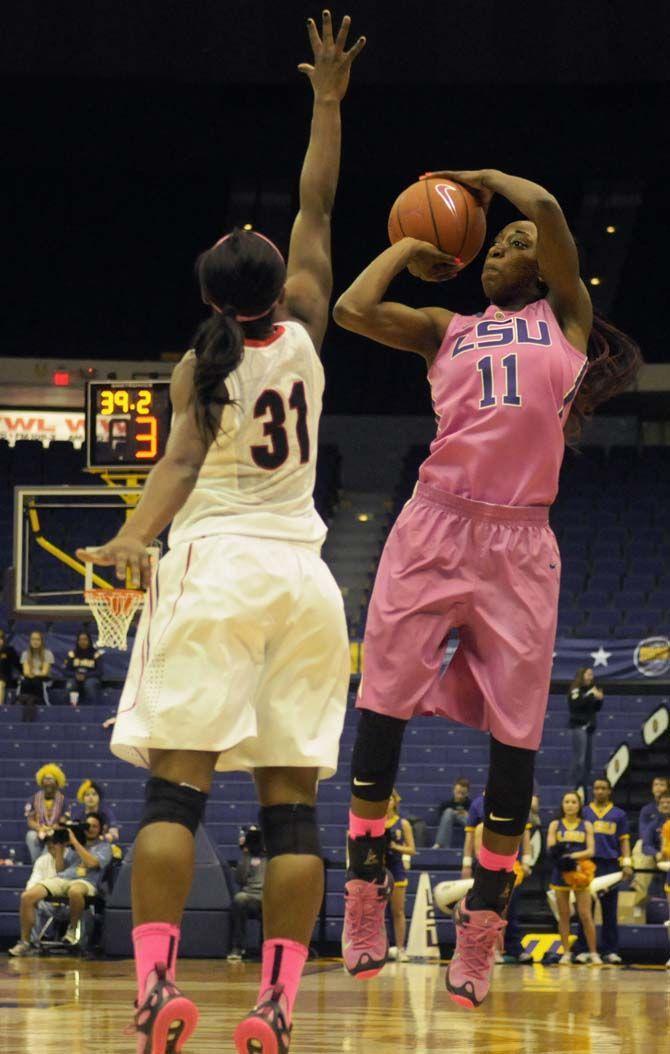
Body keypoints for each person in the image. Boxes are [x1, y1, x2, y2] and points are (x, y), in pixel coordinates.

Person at [76, 13, 365, 1054]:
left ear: (206, 295)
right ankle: (278, 1009)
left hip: (217, 569)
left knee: (174, 788)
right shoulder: (310, 323)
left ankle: (156, 998)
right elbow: (318, 200)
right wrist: (327, 101)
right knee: (291, 809)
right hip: (306, 577)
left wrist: (126, 540)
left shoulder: (199, 366)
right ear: (276, 287)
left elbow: (180, 467)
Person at [333, 164, 640, 1008]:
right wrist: (404, 244)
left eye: (515, 245)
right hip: (433, 523)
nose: (502, 246)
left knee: (515, 748)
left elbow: (544, 204)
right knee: (382, 710)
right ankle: (364, 896)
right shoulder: (446, 327)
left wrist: (483, 181)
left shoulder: (566, 321)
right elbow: (350, 310)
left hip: (520, 542)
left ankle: (483, 929)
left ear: (544, 270)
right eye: (494, 241)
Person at [10, 813, 112, 956]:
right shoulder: (73, 847)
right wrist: (59, 848)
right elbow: (60, 869)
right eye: (88, 826)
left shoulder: (104, 847)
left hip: (86, 882)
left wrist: (74, 842)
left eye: (95, 826)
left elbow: (92, 863)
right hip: (64, 879)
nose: (91, 829)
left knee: (74, 892)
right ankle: (25, 942)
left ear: (101, 829)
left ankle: (72, 930)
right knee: (28, 896)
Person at [571, 776, 632, 964]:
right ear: (593, 790)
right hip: (588, 864)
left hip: (610, 865)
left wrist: (627, 863)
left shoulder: (619, 814)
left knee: (609, 910)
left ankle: (610, 950)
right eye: (596, 788)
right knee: (585, 909)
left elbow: (624, 840)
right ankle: (583, 949)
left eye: (603, 788)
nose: (599, 791)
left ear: (609, 791)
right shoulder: (585, 812)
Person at [547, 791, 600, 965]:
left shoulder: (586, 825)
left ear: (579, 805)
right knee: (563, 915)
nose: (570, 805)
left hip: (580, 872)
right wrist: (563, 858)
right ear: (562, 805)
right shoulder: (555, 824)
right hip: (560, 873)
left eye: (573, 802)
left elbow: (591, 850)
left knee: (585, 915)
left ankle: (593, 953)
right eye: (567, 801)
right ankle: (566, 953)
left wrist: (571, 856)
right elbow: (551, 847)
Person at [385, 789, 416, 961]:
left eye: (390, 799)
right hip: (379, 870)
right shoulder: (375, 822)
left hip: (396, 869)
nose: (387, 802)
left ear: (395, 801)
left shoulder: (402, 823)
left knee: (397, 911)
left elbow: (412, 849)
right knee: (376, 913)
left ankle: (400, 948)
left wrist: (395, 847)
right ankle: (380, 949)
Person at [227, 824, 267, 962]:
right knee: (239, 899)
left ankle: (267, 949)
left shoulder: (272, 857)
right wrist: (245, 853)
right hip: (251, 897)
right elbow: (240, 879)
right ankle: (238, 947)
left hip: (269, 898)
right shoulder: (247, 857)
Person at [633, 776, 669, 905]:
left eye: (662, 784)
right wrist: (657, 853)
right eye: (656, 784)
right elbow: (645, 839)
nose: (658, 787)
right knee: (640, 846)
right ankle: (639, 896)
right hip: (655, 851)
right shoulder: (648, 812)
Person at [567, 668, 604, 792]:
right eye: (588, 674)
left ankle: (584, 785)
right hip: (579, 727)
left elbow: (596, 708)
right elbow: (576, 705)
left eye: (592, 675)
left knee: (590, 761)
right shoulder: (575, 690)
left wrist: (600, 699)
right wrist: (590, 695)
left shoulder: (593, 689)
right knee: (580, 760)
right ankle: (574, 786)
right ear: (582, 676)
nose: (591, 677)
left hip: (590, 728)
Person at [24, 764, 69, 863]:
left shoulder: (64, 800)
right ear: (41, 781)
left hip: (55, 832)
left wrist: (53, 828)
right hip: (39, 832)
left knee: (59, 836)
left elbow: (65, 819)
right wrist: (40, 828)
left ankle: (45, 864)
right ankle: (37, 864)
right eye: (45, 779)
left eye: (51, 779)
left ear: (57, 782)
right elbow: (30, 820)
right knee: (30, 835)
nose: (48, 781)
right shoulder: (33, 799)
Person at [64, 631, 103, 706]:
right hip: (75, 678)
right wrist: (76, 675)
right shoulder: (72, 654)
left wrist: (85, 675)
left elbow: (99, 672)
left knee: (89, 684)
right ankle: (69, 708)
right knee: (70, 685)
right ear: (77, 641)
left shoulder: (96, 654)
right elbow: (66, 671)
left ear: (89, 641)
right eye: (80, 639)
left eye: (85, 639)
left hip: (91, 678)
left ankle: (93, 708)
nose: (83, 642)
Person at [433, 777, 471, 849]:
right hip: (449, 821)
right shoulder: (446, 804)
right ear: (454, 790)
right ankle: (441, 844)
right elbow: (441, 818)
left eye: (462, 793)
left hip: (465, 821)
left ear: (467, 794)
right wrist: (453, 813)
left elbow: (476, 821)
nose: (460, 795)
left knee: (470, 817)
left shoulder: (471, 805)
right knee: (448, 811)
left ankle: (440, 843)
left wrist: (467, 814)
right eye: (458, 792)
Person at [19, 630, 54, 708]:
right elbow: (26, 672)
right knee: (25, 682)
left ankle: (41, 703)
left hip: (44, 679)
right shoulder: (25, 654)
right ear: (30, 641)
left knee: (36, 682)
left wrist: (33, 674)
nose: (35, 642)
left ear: (41, 641)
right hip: (30, 677)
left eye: (38, 639)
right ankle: (24, 702)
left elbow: (44, 672)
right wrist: (31, 674)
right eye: (33, 639)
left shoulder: (48, 653)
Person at [0, 628, 21, 705]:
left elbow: (17, 664)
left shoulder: (9, 650)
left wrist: (24, 673)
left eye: (0, 638)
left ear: (3, 640)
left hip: (4, 678)